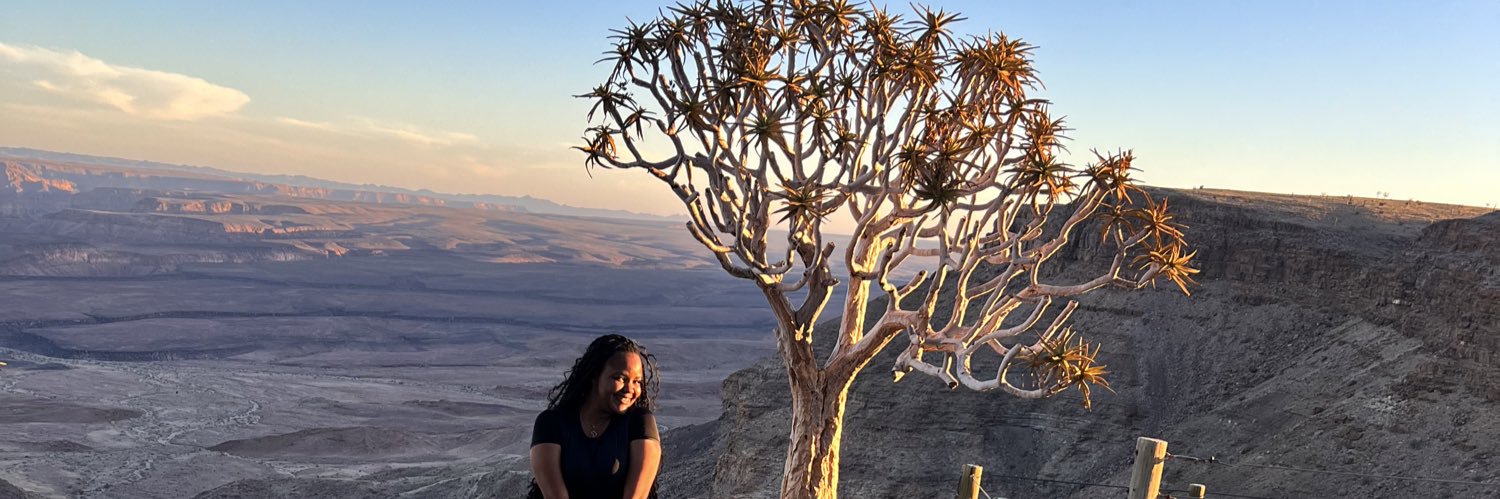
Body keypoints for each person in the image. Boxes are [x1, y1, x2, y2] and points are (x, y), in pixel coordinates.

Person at [527, 334, 661, 499]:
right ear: (595, 375)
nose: (629, 389)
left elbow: (636, 496)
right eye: (620, 378)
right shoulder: (551, 423)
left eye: (637, 382)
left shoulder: (639, 423)